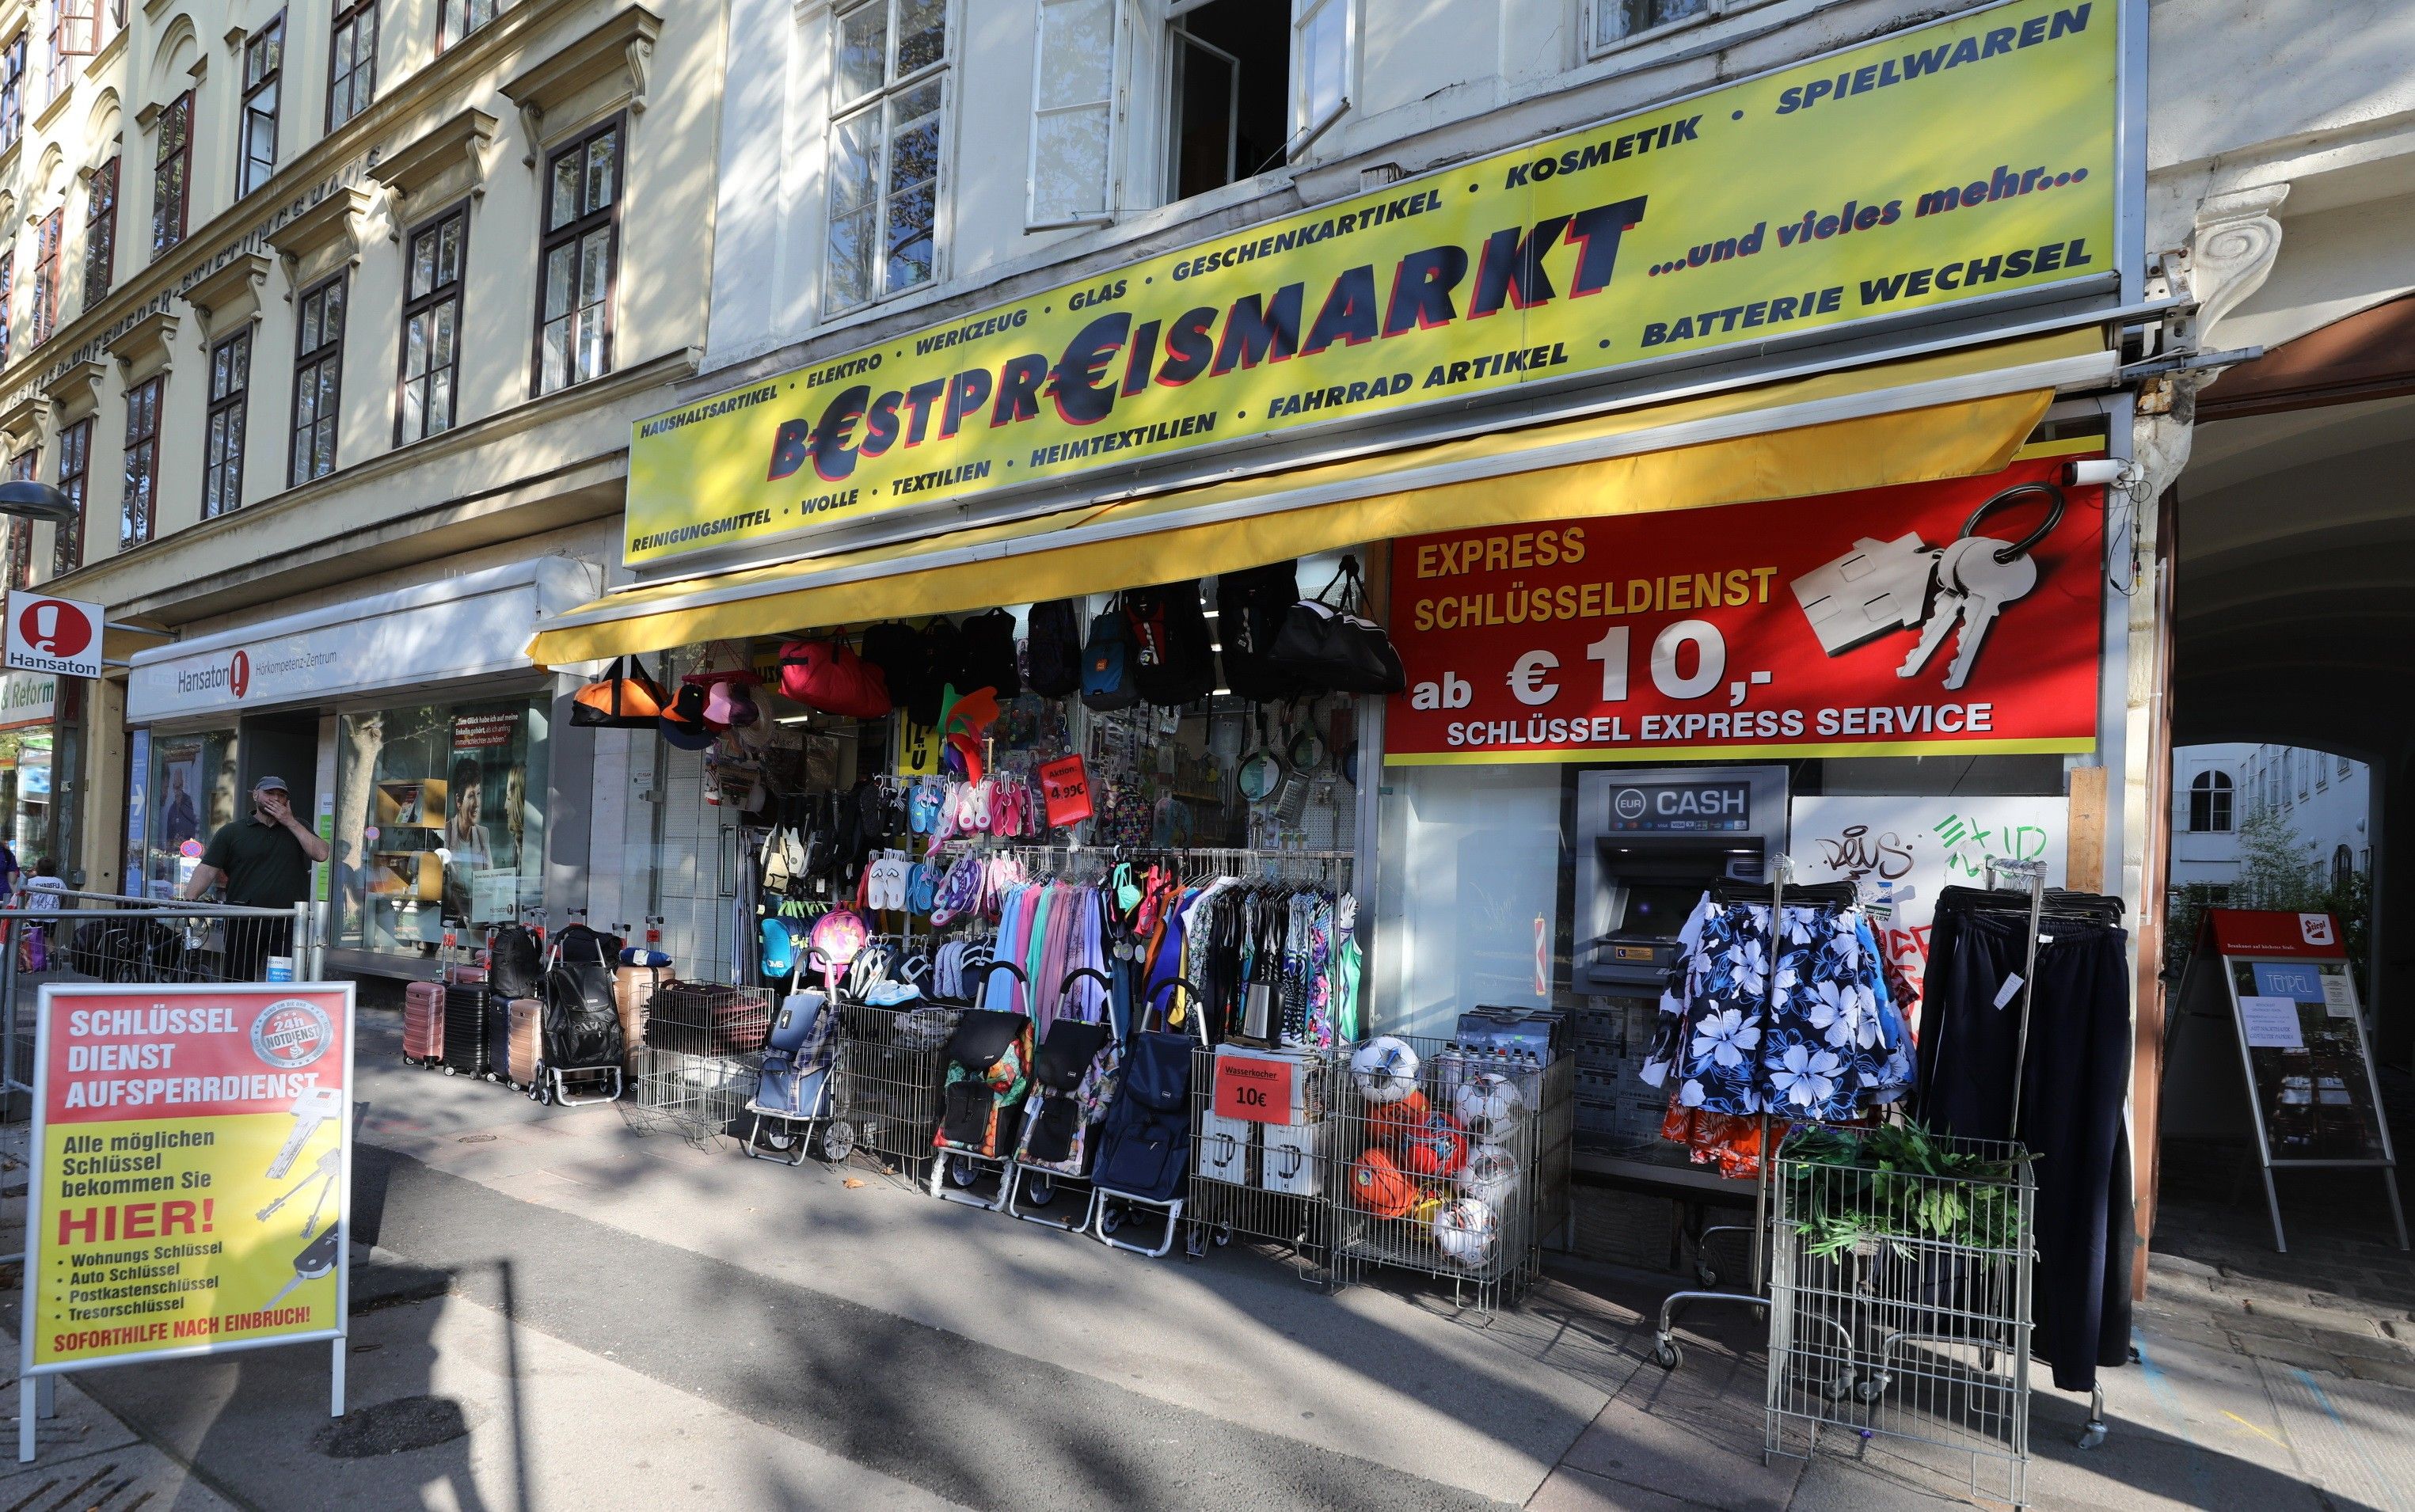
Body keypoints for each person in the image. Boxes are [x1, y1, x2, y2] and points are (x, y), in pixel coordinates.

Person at [183, 776, 330, 980]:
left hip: (288, 921)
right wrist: (189, 900)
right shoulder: (232, 831)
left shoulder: (299, 827)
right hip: (244, 918)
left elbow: (321, 854)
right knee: (239, 978)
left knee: (283, 981)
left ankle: (279, 1002)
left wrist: (290, 822)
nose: (276, 799)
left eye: (281, 795)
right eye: (270, 793)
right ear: (255, 795)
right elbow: (207, 870)